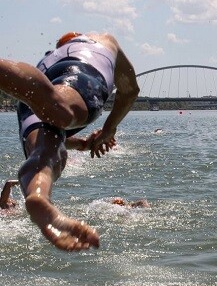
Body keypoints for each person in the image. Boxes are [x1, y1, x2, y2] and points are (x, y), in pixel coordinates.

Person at [0, 32, 140, 251]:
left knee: (44, 153)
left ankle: (39, 198)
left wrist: (82, 143)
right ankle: (39, 198)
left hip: (33, 93)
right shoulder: (104, 40)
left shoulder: (50, 57)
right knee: (60, 115)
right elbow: (130, 91)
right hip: (78, 76)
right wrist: (107, 130)